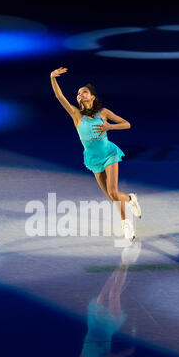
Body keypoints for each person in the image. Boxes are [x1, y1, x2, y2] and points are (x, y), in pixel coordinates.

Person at [50, 67, 142, 240]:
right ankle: (130, 199)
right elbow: (59, 97)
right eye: (78, 93)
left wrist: (110, 126)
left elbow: (127, 124)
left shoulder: (103, 113)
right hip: (93, 158)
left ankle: (126, 224)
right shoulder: (76, 114)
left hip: (109, 153)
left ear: (92, 96)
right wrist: (52, 77)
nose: (80, 95)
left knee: (113, 192)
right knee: (111, 196)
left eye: (84, 92)